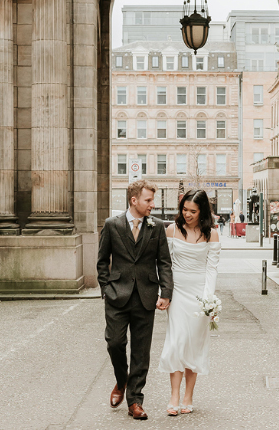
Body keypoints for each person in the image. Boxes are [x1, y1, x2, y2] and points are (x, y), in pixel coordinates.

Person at [97, 179, 173, 420]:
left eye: (152, 200)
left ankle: (135, 401)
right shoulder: (112, 225)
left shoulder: (157, 226)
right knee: (115, 343)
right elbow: (102, 261)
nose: (152, 204)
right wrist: (106, 288)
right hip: (116, 295)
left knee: (141, 351)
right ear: (134, 200)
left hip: (146, 296)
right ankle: (122, 380)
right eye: (148, 200)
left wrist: (166, 292)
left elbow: (164, 262)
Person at [158, 188, 221, 416]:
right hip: (178, 293)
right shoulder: (172, 230)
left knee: (193, 345)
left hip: (199, 295)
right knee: (176, 342)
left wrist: (208, 300)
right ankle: (174, 395)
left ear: (202, 211)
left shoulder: (212, 234)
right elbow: (165, 265)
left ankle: (188, 396)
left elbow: (211, 269)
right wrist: (164, 293)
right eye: (184, 209)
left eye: (192, 211)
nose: (187, 214)